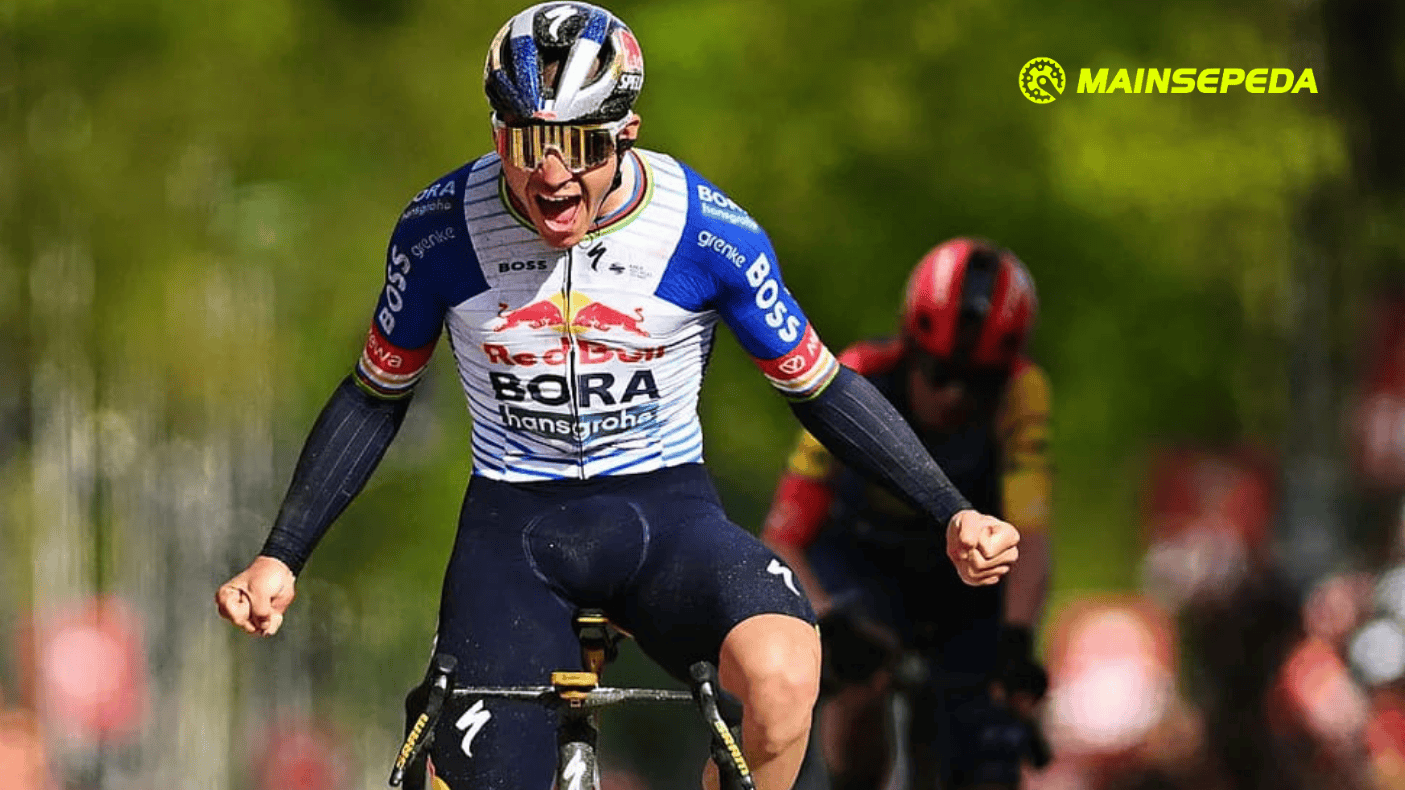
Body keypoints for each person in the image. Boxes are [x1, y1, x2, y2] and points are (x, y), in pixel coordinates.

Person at [213, 6, 1020, 790]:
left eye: (580, 144)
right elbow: (374, 396)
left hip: (666, 517)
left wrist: (949, 510)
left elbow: (820, 387)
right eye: (527, 143)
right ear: (495, 135)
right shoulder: (440, 231)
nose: (551, 174)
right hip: (512, 530)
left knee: (781, 682)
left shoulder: (704, 229)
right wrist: (283, 552)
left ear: (626, 130)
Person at [762, 238, 1053, 790]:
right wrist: (827, 621)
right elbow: (783, 536)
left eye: (981, 384)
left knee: (991, 741)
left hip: (965, 580)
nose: (956, 397)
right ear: (910, 349)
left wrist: (1017, 638)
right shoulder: (854, 379)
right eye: (940, 373)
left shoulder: (1023, 392)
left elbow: (1031, 535)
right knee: (858, 689)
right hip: (860, 563)